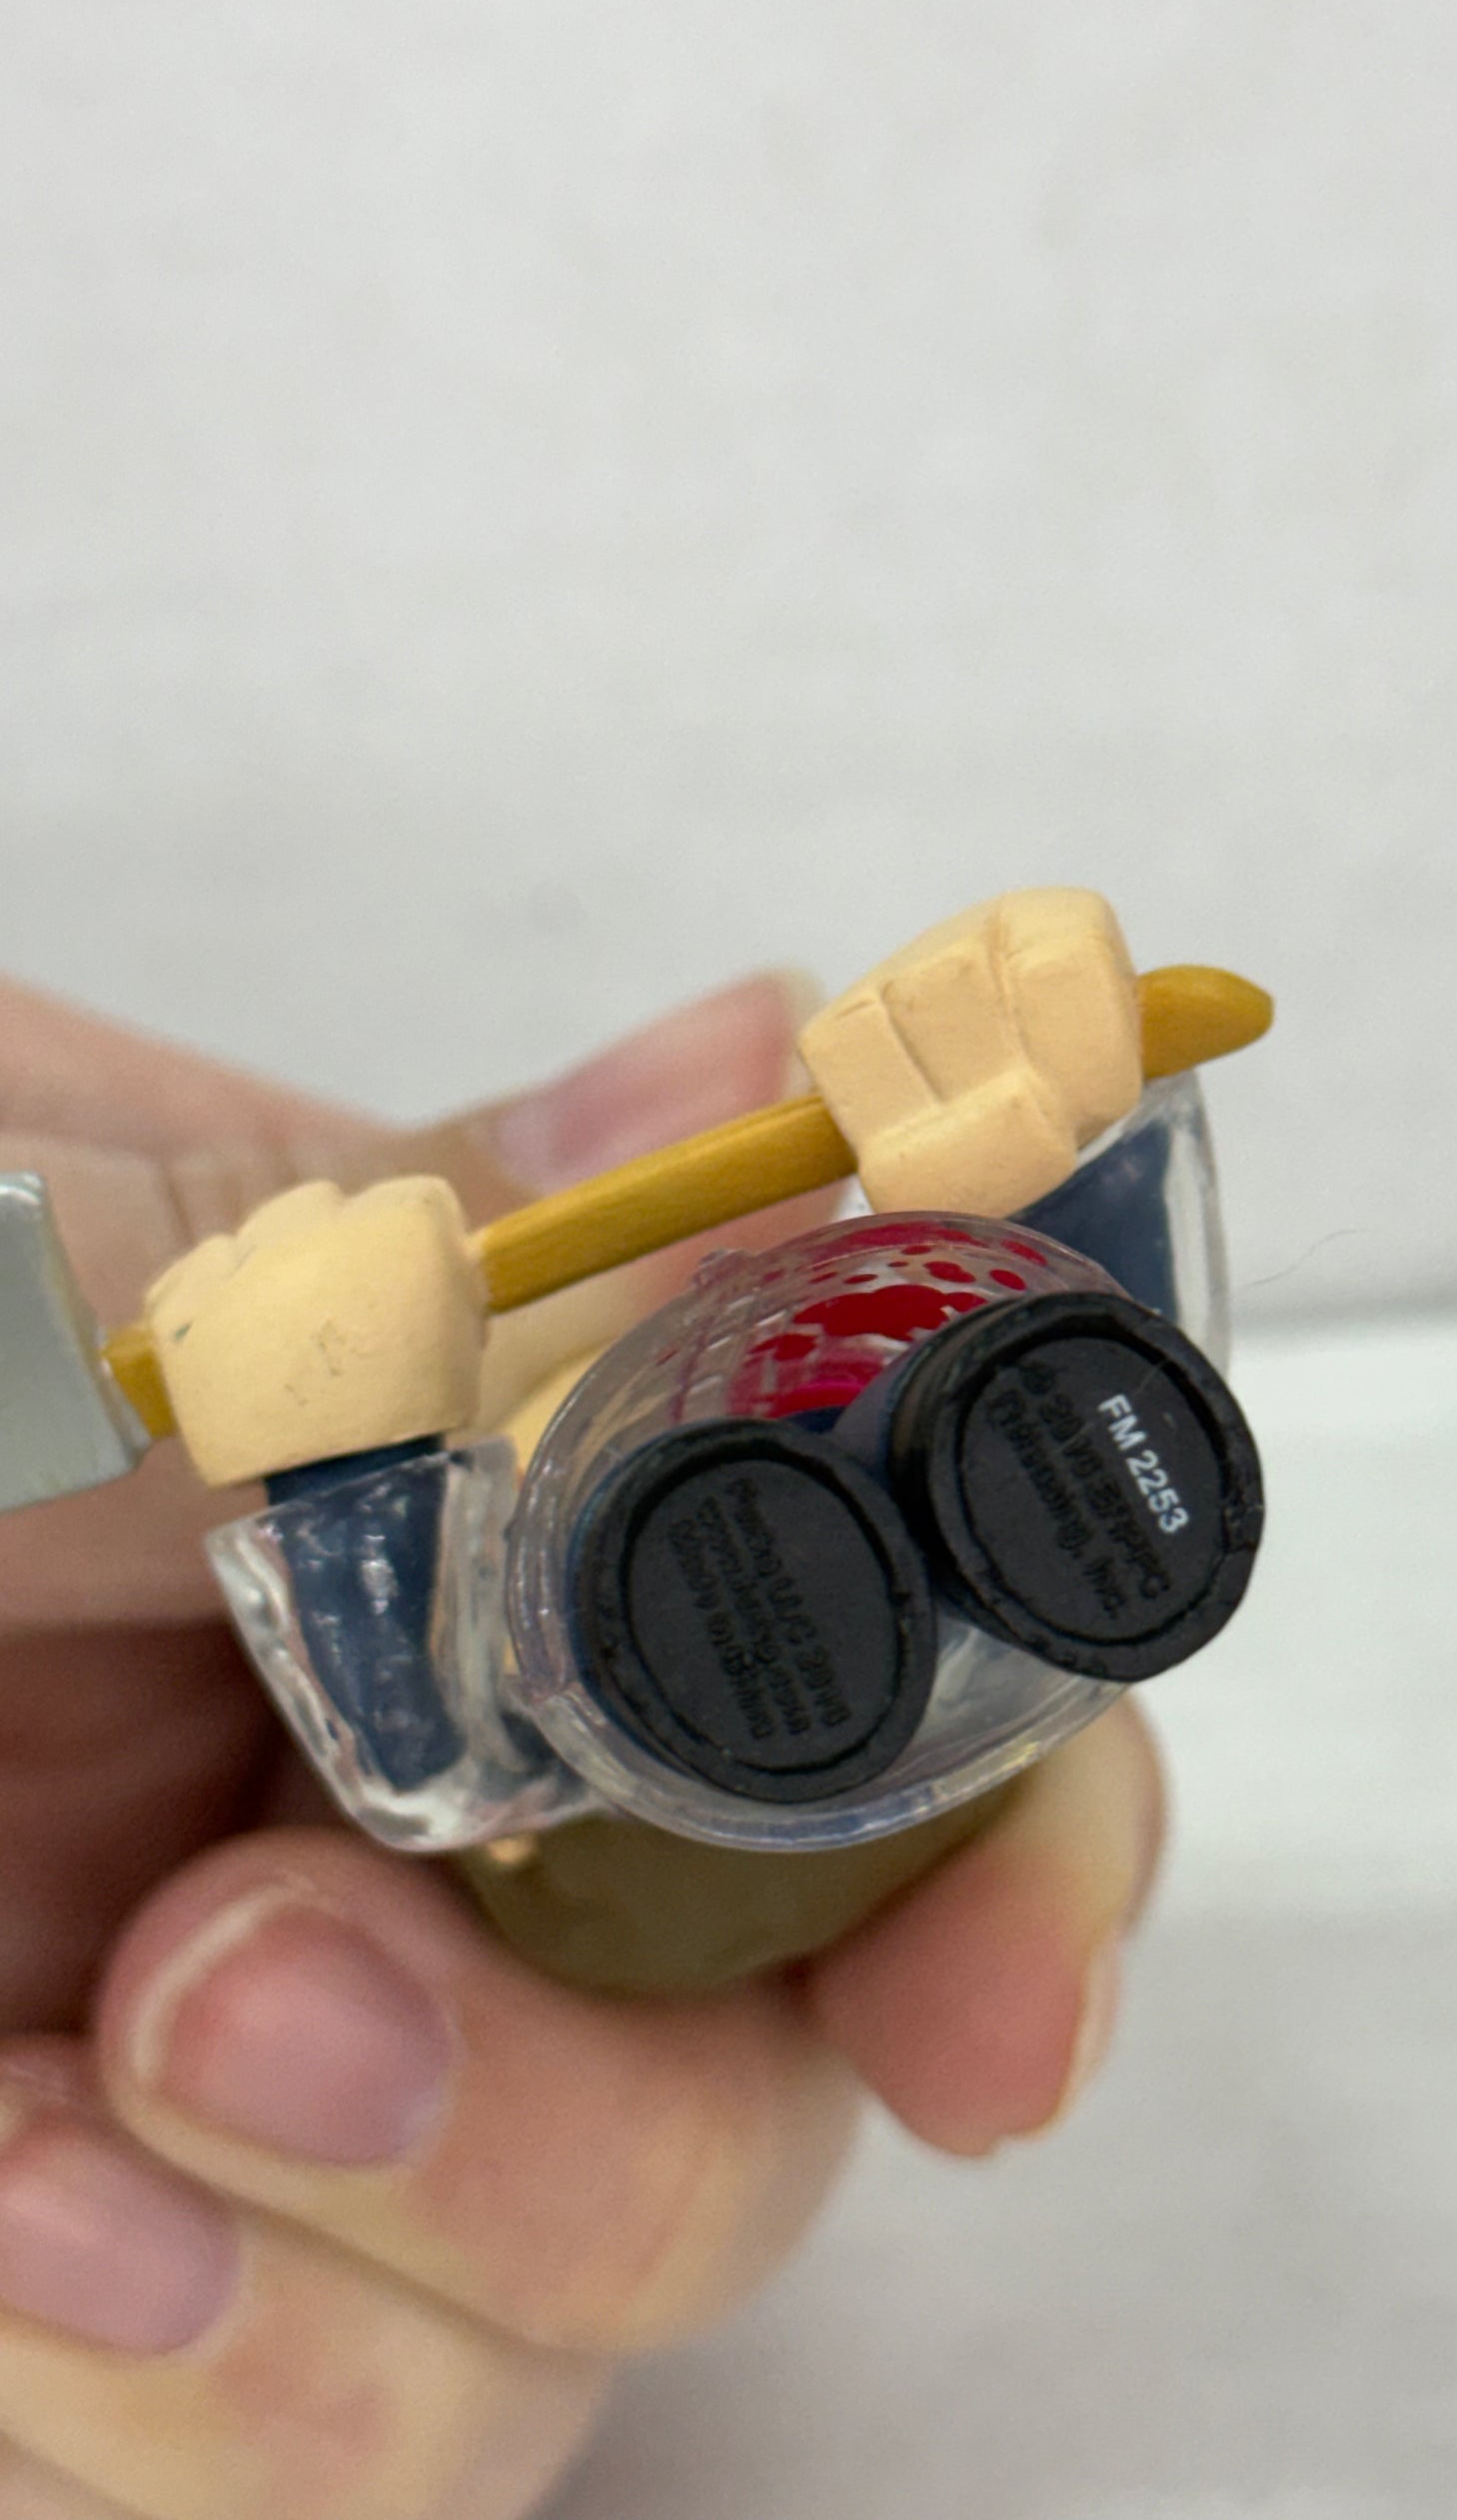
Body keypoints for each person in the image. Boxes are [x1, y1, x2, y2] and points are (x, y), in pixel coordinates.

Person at [0, 967, 1163, 2520]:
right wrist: (1068, 1153)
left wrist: (337, 1445)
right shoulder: (804, 1483)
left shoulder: (670, 1716)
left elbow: (434, 1761)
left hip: (648, 1763)